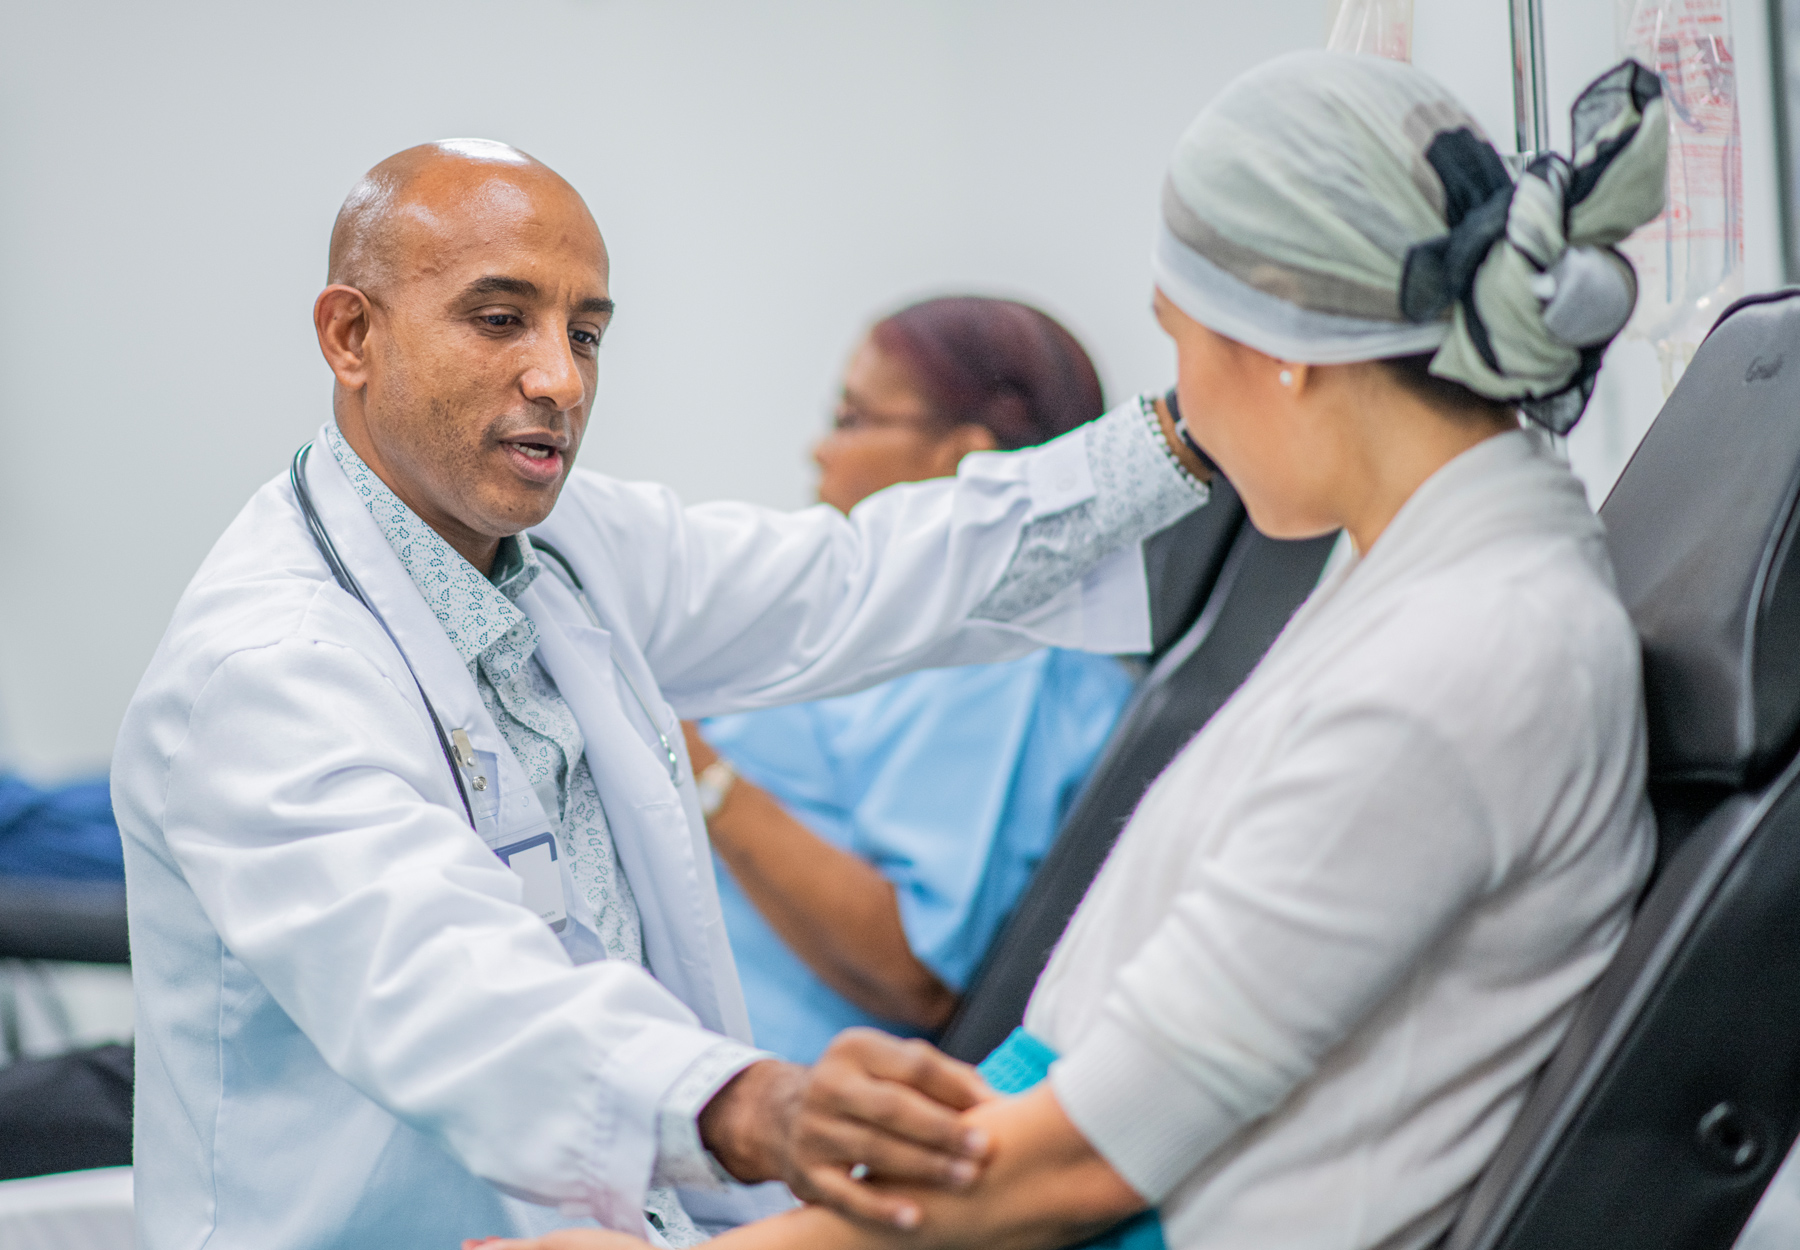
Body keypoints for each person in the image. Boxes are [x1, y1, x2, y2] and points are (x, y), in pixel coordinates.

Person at [475, 50, 1668, 1250]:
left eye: (1180, 339)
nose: (1179, 404)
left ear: (1281, 340)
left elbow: (1075, 1163)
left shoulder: (1465, 660)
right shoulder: (1416, 569)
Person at [109, 140, 1213, 1248]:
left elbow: (849, 581)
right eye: (501, 319)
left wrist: (1179, 440)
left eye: (584, 332)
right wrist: (748, 1101)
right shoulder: (264, 668)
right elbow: (447, 978)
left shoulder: (569, 546)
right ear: (352, 335)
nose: (562, 379)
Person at [686, 298, 1136, 1062]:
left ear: (964, 459)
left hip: (772, 1111)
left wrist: (687, 764)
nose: (820, 451)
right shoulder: (879, 630)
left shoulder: (999, 654)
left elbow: (916, 966)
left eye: (852, 419)